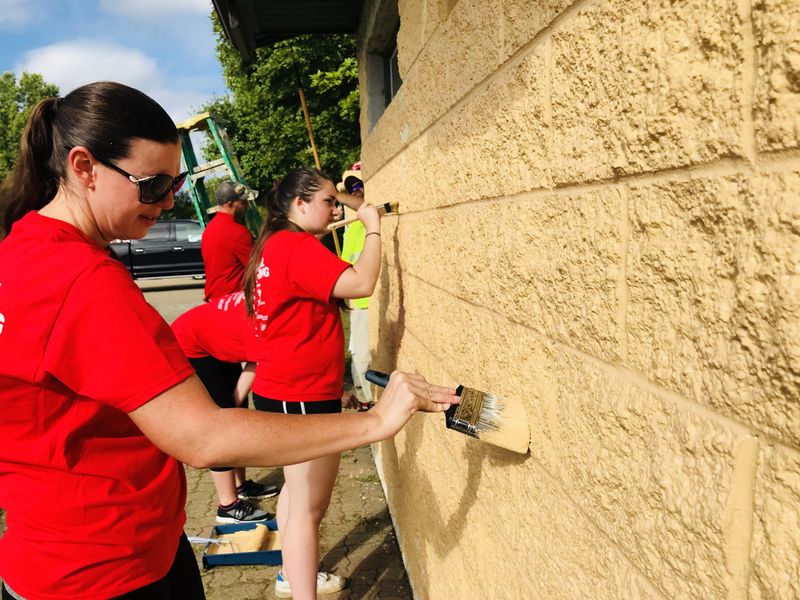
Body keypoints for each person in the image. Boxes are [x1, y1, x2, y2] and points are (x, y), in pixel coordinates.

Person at [0, 81, 458, 600]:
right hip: (109, 569)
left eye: (175, 184)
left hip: (47, 557)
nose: (168, 201)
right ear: (83, 168)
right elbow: (203, 438)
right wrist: (375, 421)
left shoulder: (21, 250)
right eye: (152, 185)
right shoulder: (82, 279)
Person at [243, 167, 382, 599]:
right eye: (328, 201)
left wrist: (357, 205)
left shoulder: (274, 244)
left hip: (279, 389)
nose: (335, 208)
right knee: (309, 507)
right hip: (300, 395)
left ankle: (289, 573)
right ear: (299, 204)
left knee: (294, 494)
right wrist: (373, 230)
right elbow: (361, 284)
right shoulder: (297, 247)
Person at [171, 291, 278, 524]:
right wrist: (229, 410)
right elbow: (257, 364)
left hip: (214, 344)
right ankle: (227, 505)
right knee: (224, 428)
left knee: (235, 416)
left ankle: (241, 486)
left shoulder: (269, 300)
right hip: (191, 345)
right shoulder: (269, 320)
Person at [340, 168, 373, 410]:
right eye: (351, 188)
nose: (356, 191)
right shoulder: (352, 227)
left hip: (367, 302)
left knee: (363, 359)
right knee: (358, 358)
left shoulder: (368, 218)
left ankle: (371, 404)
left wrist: (334, 194)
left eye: (359, 186)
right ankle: (367, 401)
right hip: (356, 303)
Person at [201, 181, 253, 301]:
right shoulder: (238, 232)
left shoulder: (210, 228)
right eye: (243, 202)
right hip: (234, 301)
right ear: (230, 204)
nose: (247, 205)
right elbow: (258, 267)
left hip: (215, 300)